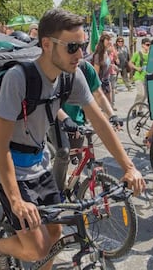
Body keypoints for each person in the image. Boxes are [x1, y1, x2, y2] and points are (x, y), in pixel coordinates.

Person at [0, 8, 145, 270]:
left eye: (82, 46)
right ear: (47, 44)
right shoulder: (17, 79)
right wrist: (17, 199)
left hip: (39, 162)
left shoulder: (73, 76)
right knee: (36, 248)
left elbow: (100, 122)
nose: (80, 54)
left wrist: (129, 167)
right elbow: (0, 146)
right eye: (73, 47)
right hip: (9, 166)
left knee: (56, 234)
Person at [49, 60, 123, 193]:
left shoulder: (87, 69)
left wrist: (112, 115)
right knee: (64, 152)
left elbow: (99, 94)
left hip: (77, 120)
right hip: (56, 118)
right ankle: (56, 193)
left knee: (77, 157)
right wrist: (65, 119)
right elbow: (49, 100)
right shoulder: (57, 67)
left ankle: (75, 185)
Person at [128, 38, 150, 118]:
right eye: (147, 45)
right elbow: (130, 63)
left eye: (149, 45)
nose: (148, 46)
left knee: (145, 95)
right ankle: (134, 108)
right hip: (138, 76)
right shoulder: (138, 53)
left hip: (147, 76)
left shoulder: (150, 54)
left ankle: (140, 110)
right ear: (143, 45)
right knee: (140, 93)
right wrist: (136, 68)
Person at [93, 32, 113, 108]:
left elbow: (107, 64)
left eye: (110, 39)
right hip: (99, 83)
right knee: (98, 106)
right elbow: (96, 73)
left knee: (109, 105)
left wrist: (112, 66)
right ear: (102, 41)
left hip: (106, 81)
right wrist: (98, 87)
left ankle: (108, 119)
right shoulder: (98, 56)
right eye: (107, 39)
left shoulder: (107, 52)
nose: (110, 42)